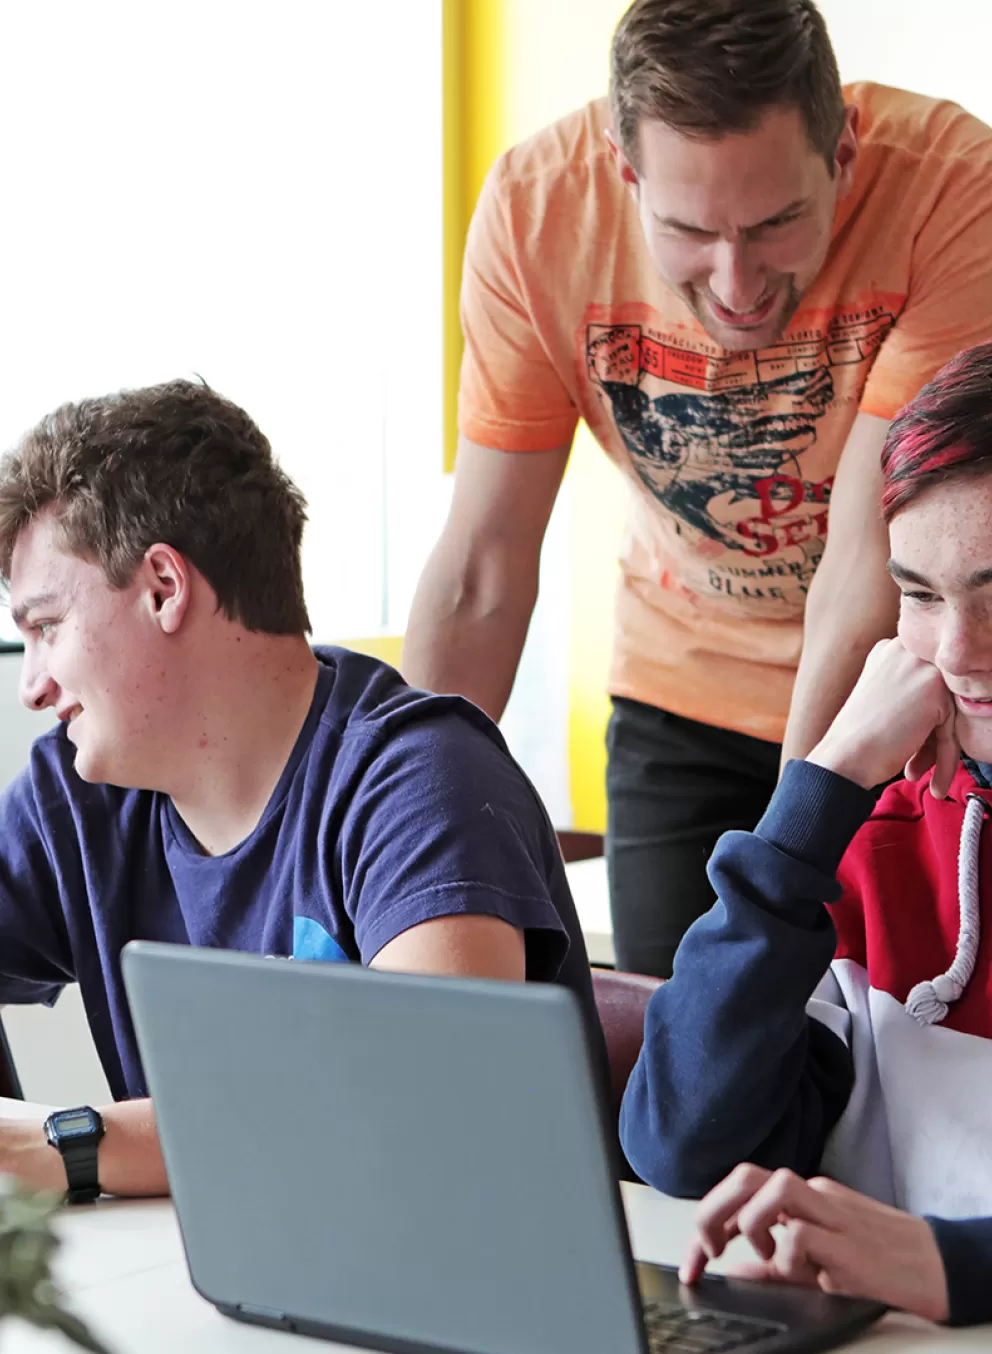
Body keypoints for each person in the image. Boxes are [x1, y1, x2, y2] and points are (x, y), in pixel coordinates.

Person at [401, 0, 992, 979]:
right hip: (674, 692)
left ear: (840, 148)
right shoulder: (536, 212)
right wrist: (395, 832)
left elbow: (860, 566)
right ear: (623, 172)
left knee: (853, 1058)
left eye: (776, 224)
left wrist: (787, 851)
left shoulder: (949, 188)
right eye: (687, 232)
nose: (736, 284)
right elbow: (481, 573)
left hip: (896, 684)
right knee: (678, 1086)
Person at [0, 378, 601, 1202]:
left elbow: (434, 1104)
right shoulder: (77, 798)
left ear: (165, 587)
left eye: (45, 628)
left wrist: (68, 1145)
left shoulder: (423, 780)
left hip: (458, 1294)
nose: (32, 686)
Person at [618, 342, 992, 1326]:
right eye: (918, 594)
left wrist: (947, 1262)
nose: (957, 653)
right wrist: (818, 787)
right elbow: (679, 1141)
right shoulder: (873, 842)